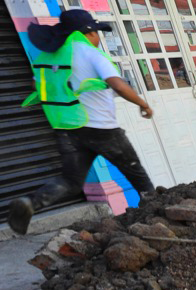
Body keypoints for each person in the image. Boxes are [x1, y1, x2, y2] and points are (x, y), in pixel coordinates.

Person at [9, 8, 155, 236]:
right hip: (104, 131)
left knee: (71, 181)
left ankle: (30, 202)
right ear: (88, 33)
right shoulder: (91, 54)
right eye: (97, 33)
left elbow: (38, 87)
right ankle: (157, 218)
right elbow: (117, 84)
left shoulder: (47, 56)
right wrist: (143, 104)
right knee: (138, 176)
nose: (99, 38)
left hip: (68, 130)